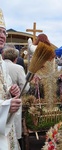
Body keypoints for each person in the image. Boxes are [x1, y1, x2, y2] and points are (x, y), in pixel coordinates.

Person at [0, 8, 21, 150]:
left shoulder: (1, 62)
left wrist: (12, 90)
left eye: (4, 32)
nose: (2, 35)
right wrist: (5, 106)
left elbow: (4, 87)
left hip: (6, 128)